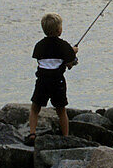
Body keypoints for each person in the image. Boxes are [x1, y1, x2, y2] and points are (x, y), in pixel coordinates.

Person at [25, 13, 79, 145]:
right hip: (58, 82)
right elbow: (70, 63)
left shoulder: (39, 46)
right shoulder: (64, 46)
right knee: (61, 110)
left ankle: (32, 134)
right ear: (59, 30)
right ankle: (65, 137)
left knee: (35, 108)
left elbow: (41, 61)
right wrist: (74, 52)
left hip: (42, 82)